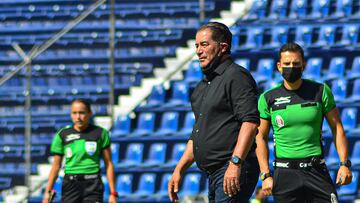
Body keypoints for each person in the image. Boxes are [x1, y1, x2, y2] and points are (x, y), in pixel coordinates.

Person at [168, 22, 260, 203]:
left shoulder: (236, 76)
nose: (198, 51)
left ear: (223, 47)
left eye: (204, 44)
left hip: (232, 168)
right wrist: (179, 169)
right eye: (196, 46)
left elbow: (249, 123)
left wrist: (235, 163)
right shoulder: (203, 86)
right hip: (214, 174)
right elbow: (198, 133)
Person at [256, 42, 352, 203]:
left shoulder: (320, 91)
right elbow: (260, 137)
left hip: (316, 170)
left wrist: (344, 164)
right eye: (286, 64)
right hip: (285, 173)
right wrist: (265, 174)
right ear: (279, 66)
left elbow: (337, 128)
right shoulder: (268, 98)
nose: (291, 67)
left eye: (296, 63)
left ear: (304, 65)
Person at [42, 99, 118, 203]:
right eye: (74, 113)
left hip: (93, 184)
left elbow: (108, 163)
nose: (78, 117)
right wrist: (48, 192)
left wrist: (113, 193)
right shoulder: (63, 134)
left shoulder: (101, 133)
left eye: (82, 113)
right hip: (70, 185)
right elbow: (55, 166)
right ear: (71, 114)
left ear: (90, 113)